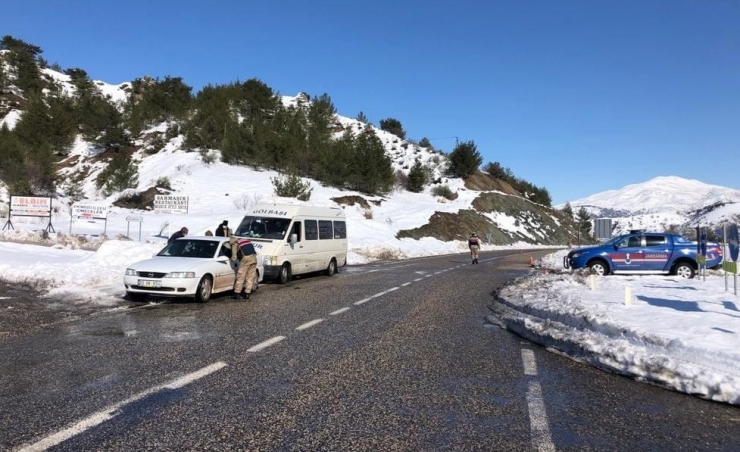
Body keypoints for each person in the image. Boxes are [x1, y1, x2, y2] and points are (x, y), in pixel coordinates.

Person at [230, 235, 258, 300]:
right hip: (254, 258)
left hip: (246, 259)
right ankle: (247, 293)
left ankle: (237, 293)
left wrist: (232, 258)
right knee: (250, 277)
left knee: (241, 276)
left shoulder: (235, 243)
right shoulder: (247, 240)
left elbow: (234, 257)